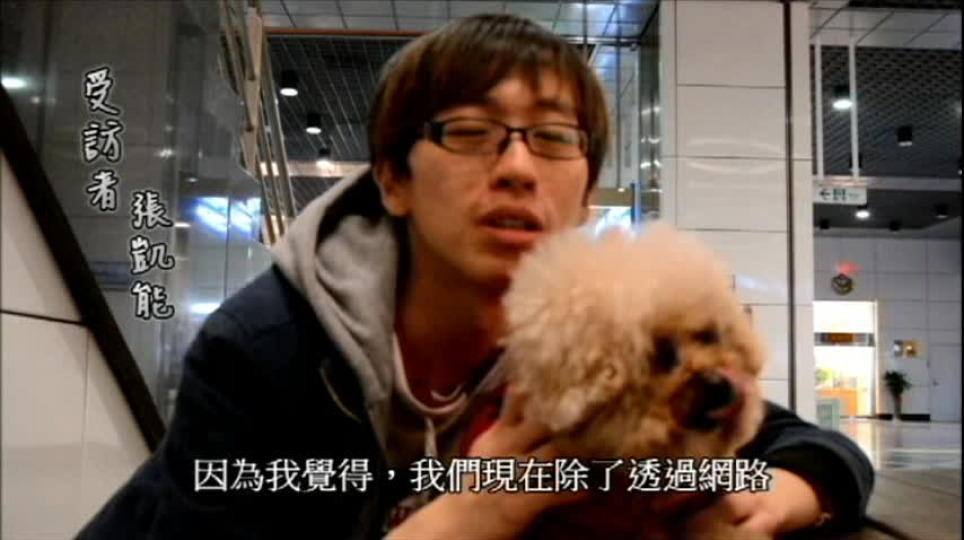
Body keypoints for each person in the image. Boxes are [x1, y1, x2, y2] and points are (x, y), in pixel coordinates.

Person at [76, 13, 874, 540]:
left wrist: (784, 494)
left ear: (586, 197)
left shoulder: (600, 339)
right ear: (393, 179)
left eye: (554, 138)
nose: (519, 168)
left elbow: (799, 441)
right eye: (470, 131)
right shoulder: (267, 348)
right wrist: (475, 510)